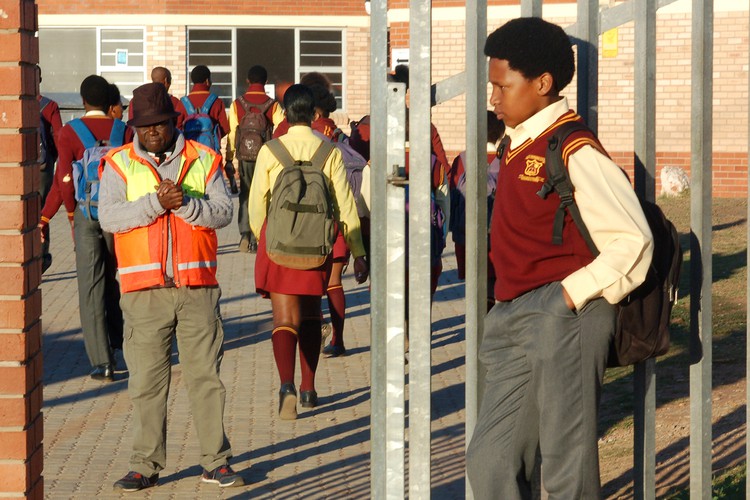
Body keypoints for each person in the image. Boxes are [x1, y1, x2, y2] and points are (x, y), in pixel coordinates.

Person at [465, 18, 654, 499]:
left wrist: (565, 299)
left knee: (567, 471)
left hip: (563, 316)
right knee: (490, 461)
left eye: (501, 85)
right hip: (511, 316)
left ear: (542, 84)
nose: (493, 97)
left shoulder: (573, 147)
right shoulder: (517, 142)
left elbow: (633, 240)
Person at [98, 82, 242, 491]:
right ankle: (145, 465)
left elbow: (223, 213)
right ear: (133, 128)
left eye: (157, 125)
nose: (150, 133)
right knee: (145, 382)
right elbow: (109, 217)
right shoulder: (118, 164)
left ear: (172, 122)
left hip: (197, 288)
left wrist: (187, 205)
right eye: (142, 127)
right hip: (143, 292)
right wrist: (155, 205)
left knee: (205, 380)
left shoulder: (205, 159)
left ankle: (216, 461)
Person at [248, 84, 368, 420]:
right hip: (317, 245)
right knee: (313, 315)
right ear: (315, 114)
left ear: (285, 113)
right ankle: (309, 387)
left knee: (284, 319)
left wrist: (263, 237)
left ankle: (285, 384)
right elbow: (345, 206)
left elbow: (256, 202)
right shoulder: (329, 151)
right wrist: (357, 251)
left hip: (279, 243)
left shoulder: (271, 150)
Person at [39, 74, 133, 382]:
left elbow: (63, 180)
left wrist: (54, 216)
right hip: (117, 214)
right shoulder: (125, 130)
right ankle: (125, 343)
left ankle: (102, 362)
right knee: (114, 278)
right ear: (110, 103)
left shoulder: (69, 132)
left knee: (90, 287)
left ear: (82, 101)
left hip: (85, 213)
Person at [225, 64, 283, 253]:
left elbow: (233, 133)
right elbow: (281, 131)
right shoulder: (272, 104)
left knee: (246, 194)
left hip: (245, 157)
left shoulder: (237, 103)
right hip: (266, 156)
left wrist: (229, 157)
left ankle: (244, 234)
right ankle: (261, 235)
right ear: (266, 82)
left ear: (247, 81)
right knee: (265, 194)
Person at [448, 111, 504, 283]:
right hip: (500, 239)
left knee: (474, 287)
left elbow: (453, 198)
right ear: (500, 133)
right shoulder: (508, 159)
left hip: (467, 237)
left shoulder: (462, 160)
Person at [37, 65, 63, 273]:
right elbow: (58, 136)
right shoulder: (49, 106)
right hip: (42, 169)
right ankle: (42, 256)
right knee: (42, 211)